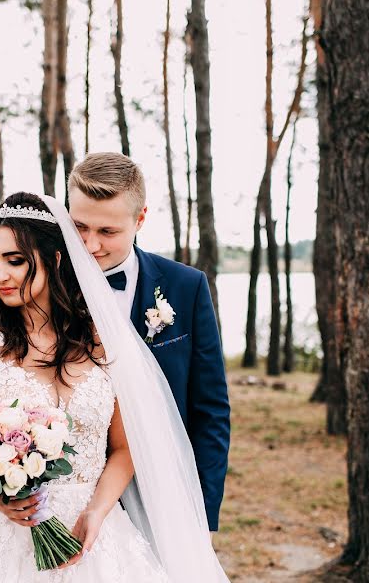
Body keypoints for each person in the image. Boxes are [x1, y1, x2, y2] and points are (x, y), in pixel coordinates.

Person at [0, 192, 227, 582]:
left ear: (55, 259)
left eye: (15, 261)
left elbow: (125, 446)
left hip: (98, 531)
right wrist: (1, 501)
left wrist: (97, 511)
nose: (0, 275)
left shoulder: (104, 345)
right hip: (4, 540)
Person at [67, 152, 230, 532]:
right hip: (75, 496)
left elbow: (210, 410)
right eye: (80, 227)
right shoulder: (46, 287)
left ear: (140, 219)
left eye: (108, 232)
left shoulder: (186, 288)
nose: (90, 246)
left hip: (164, 494)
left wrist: (201, 516)